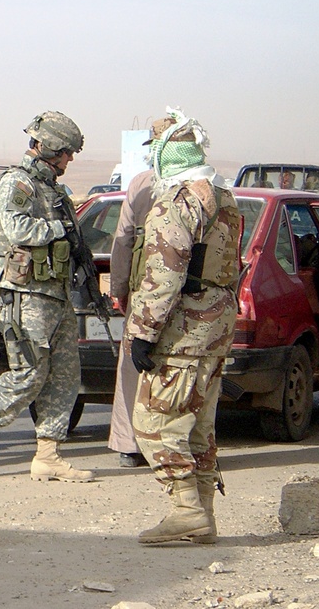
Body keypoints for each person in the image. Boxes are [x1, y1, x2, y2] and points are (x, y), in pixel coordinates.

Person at [0, 111, 94, 483]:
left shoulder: (53, 189)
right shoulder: (17, 183)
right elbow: (17, 228)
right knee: (28, 373)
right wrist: (59, 227)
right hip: (26, 293)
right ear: (47, 148)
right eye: (65, 153)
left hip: (57, 293)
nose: (68, 160)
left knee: (64, 375)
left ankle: (48, 453)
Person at [126, 108, 240, 545]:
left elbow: (163, 275)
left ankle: (186, 509)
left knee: (156, 420)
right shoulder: (223, 198)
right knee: (198, 426)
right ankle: (203, 515)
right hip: (214, 331)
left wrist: (142, 333)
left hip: (183, 332)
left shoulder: (177, 204)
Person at [106, 117, 174, 468]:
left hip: (145, 293)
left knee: (134, 367)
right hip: (184, 298)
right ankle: (170, 444)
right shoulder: (208, 187)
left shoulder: (142, 184)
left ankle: (129, 444)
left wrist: (120, 290)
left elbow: (123, 241)